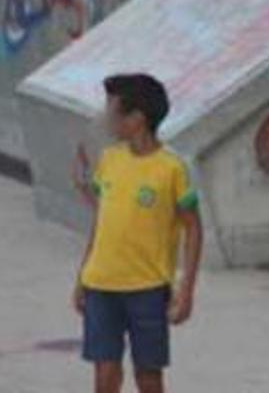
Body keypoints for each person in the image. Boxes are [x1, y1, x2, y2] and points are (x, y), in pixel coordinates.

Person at [71, 74, 203, 393]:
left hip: (147, 289)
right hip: (101, 285)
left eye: (113, 112)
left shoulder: (172, 168)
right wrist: (81, 278)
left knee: (149, 377)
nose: (107, 119)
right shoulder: (110, 159)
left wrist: (186, 291)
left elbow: (193, 229)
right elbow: (103, 221)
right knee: (105, 373)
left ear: (137, 119)